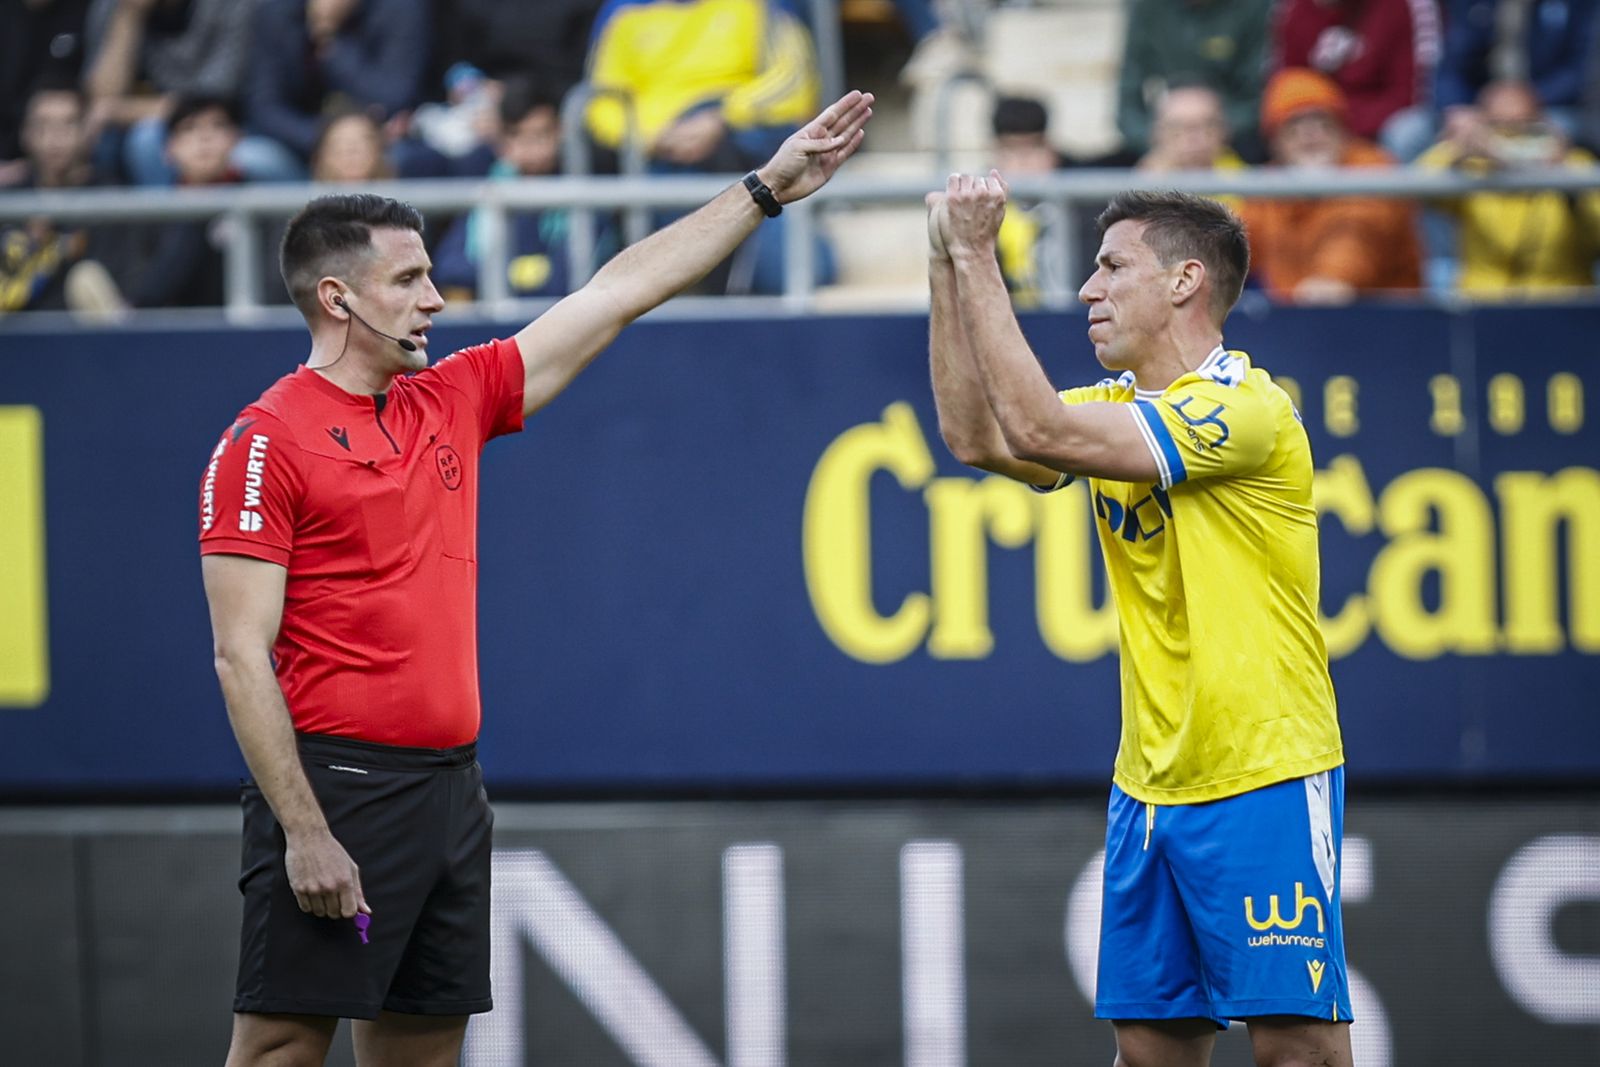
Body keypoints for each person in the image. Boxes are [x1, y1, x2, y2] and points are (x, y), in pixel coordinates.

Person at [196, 89, 872, 1067]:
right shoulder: (265, 443)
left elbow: (616, 291)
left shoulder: (451, 397)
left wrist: (765, 190)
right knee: (281, 1045)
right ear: (337, 298)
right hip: (336, 785)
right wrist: (304, 829)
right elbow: (236, 652)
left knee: (424, 1046)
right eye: (410, 279)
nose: (436, 297)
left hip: (448, 788)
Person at [926, 182, 1350, 1066]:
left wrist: (980, 257)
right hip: (1149, 784)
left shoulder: (1249, 411)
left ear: (1186, 280)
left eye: (1112, 266)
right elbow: (975, 436)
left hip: (1261, 768)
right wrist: (944, 264)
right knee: (1152, 1051)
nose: (1089, 289)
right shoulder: (1121, 406)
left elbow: (1040, 425)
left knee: (1298, 1050)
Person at [1239, 67, 1421, 304]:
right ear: (1275, 142)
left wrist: (1331, 280)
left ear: (1342, 129)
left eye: (1322, 121)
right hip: (1299, 319)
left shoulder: (1372, 170)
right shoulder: (1271, 185)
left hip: (1385, 323)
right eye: (1294, 125)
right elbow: (1234, 246)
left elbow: (1357, 238)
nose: (1310, 135)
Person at [432, 77, 611, 302]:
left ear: (560, 132)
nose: (530, 151)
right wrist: (522, 274)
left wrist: (496, 274)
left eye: (540, 135)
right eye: (517, 136)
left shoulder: (585, 194)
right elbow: (451, 269)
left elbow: (563, 285)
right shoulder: (492, 185)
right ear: (502, 140)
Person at [1418, 78, 1600, 296]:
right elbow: (1420, 188)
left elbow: (1595, 235)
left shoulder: (1575, 165)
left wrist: (1564, 180)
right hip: (1483, 303)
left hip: (1560, 302)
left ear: (1544, 122)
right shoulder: (1472, 167)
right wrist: (1458, 150)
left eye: (1525, 125)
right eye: (1502, 127)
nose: (1514, 135)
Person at [1270, 0, 1442, 161]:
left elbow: (1409, 95)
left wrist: (1340, 123)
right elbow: (1289, 87)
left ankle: (1402, 193)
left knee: (1408, 131)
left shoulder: (1403, 5)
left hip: (1378, 125)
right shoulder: (1295, 8)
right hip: (1321, 120)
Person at [1116, 0, 1274, 161]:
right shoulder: (1146, 7)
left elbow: (1260, 93)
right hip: (1163, 135)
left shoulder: (1255, 7)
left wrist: (1212, 131)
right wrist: (1156, 138)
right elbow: (1128, 96)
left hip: (1236, 136)